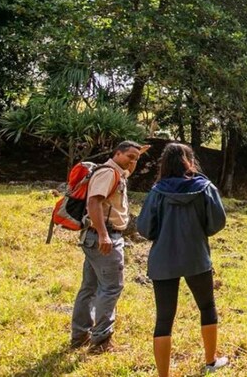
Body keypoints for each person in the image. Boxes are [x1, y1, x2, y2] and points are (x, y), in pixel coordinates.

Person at [137, 143, 228, 376]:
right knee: (207, 307)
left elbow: (145, 228)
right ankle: (211, 360)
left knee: (164, 318)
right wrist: (198, 230)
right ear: (189, 160)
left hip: (163, 260)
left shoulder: (157, 191)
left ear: (164, 163)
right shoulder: (205, 188)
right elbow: (217, 222)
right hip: (197, 257)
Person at [71, 140, 146, 352]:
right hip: (104, 237)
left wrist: (138, 153)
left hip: (97, 237)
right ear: (117, 153)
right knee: (112, 287)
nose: (133, 161)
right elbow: (93, 203)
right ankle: (101, 341)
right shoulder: (108, 173)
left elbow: (128, 169)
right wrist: (104, 235)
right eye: (129, 156)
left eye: (137, 159)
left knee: (90, 287)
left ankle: (80, 336)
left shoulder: (119, 172)